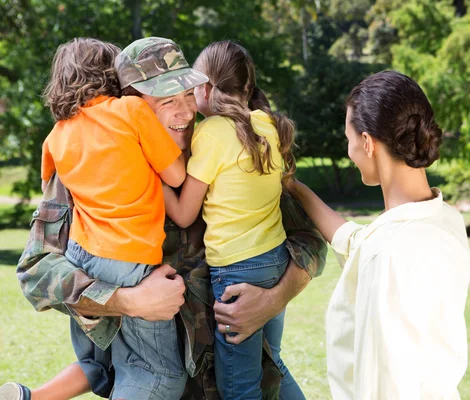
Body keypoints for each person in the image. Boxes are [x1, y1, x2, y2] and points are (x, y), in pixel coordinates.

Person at [4, 37, 327, 400]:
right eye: (165, 101)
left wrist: (274, 297)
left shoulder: (225, 143)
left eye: (188, 95)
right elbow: (37, 270)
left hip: (245, 383)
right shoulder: (93, 172)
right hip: (153, 385)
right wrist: (126, 299)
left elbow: (307, 237)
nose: (186, 113)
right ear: (130, 107)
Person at [285, 70, 470, 399]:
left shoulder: (387, 256)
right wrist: (295, 189)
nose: (349, 152)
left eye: (349, 139)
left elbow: (382, 382)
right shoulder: (443, 220)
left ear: (368, 143)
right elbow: (359, 241)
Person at [162, 40, 303, 400]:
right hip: (275, 261)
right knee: (272, 364)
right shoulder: (267, 125)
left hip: (237, 274)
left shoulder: (211, 133)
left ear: (205, 89)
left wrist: (151, 171)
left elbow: (183, 213)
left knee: (237, 387)